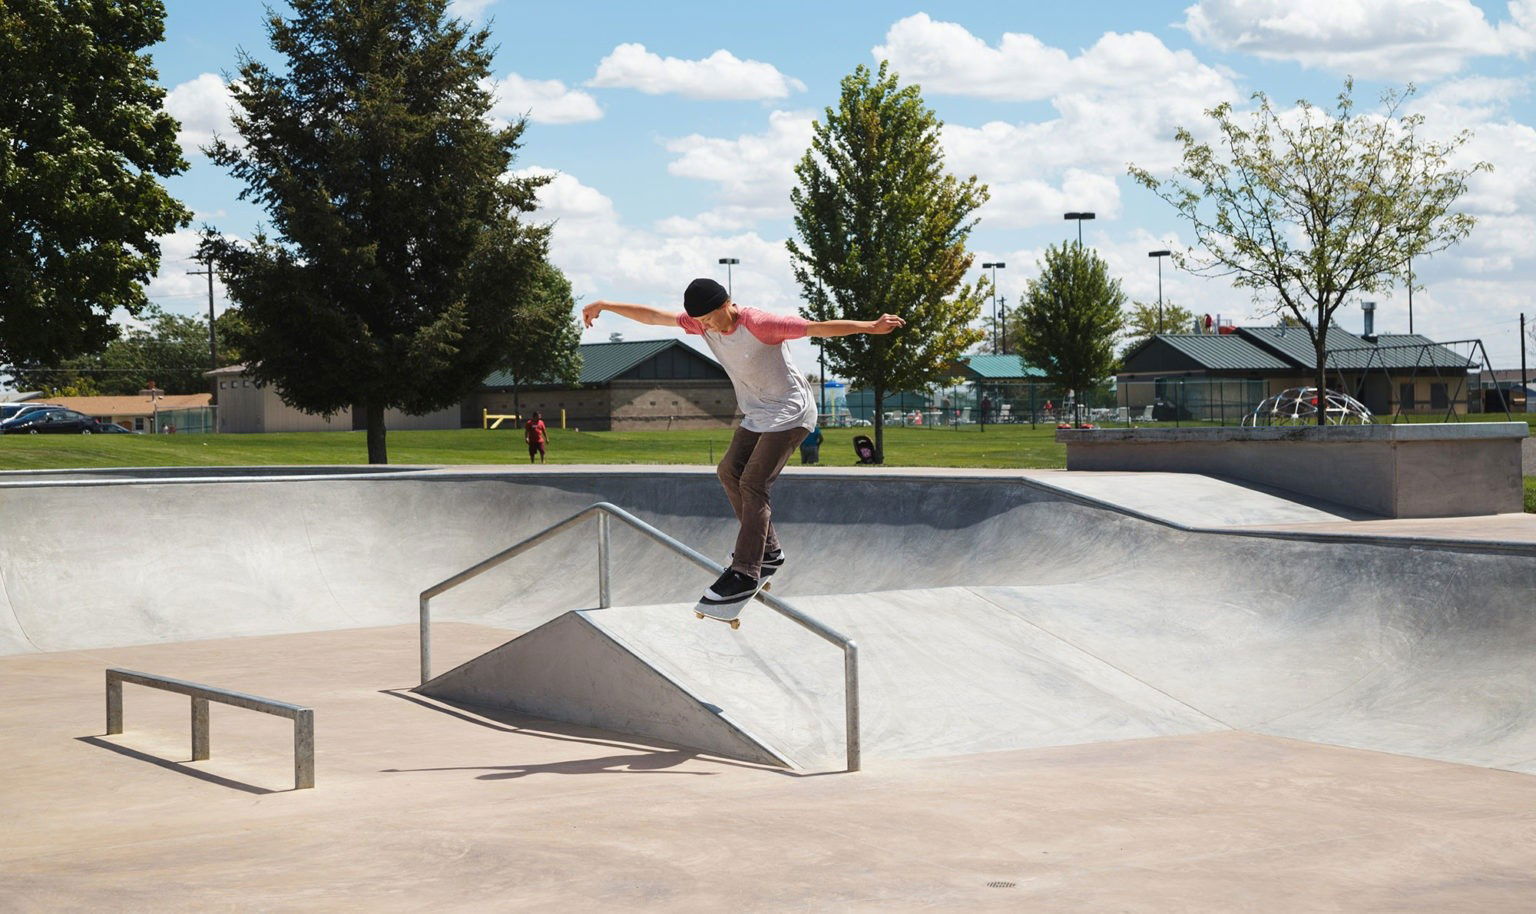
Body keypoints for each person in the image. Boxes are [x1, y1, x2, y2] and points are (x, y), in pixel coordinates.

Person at [583, 278, 904, 615]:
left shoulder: (760, 323)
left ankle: (746, 571)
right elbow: (654, 316)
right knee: (728, 472)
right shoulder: (701, 324)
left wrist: (870, 326)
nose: (707, 327)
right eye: (701, 322)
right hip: (758, 413)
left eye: (710, 318)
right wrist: (606, 304)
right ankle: (770, 551)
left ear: (727, 304)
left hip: (792, 412)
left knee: (753, 482)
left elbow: (817, 328)